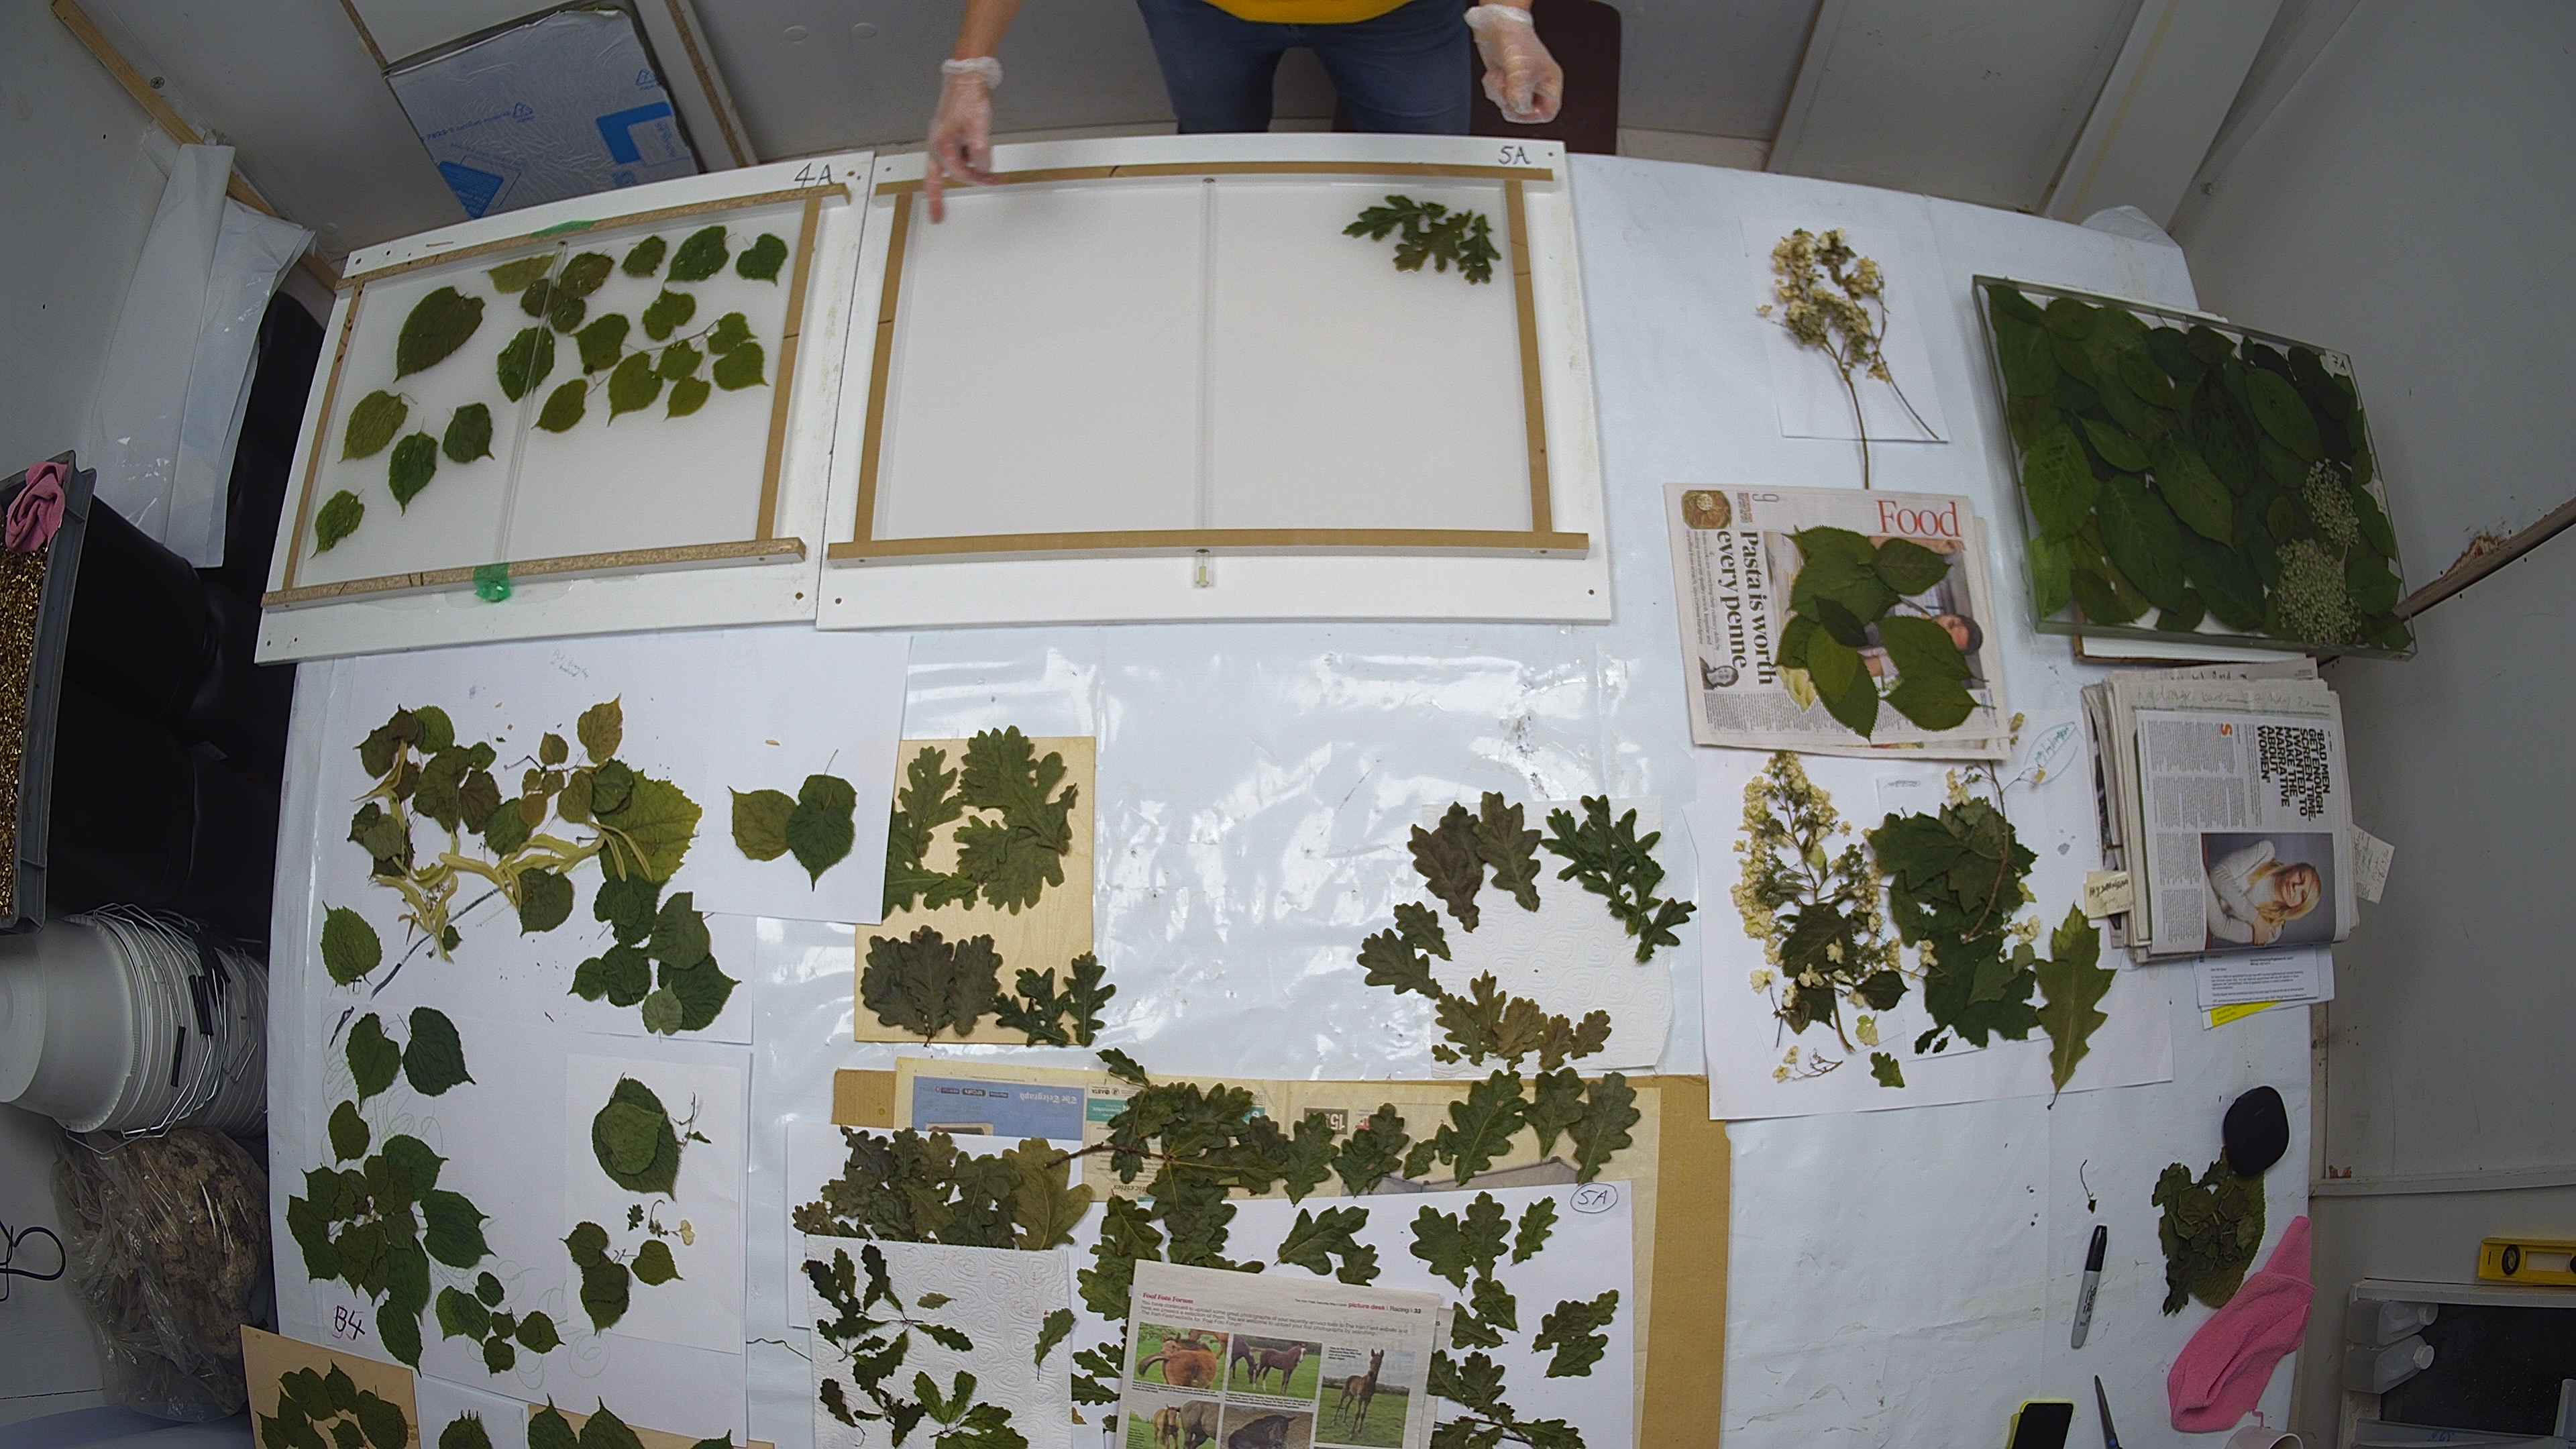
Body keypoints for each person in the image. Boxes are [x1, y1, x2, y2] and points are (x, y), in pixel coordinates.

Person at [920, 0, 1567, 221]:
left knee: (1429, 172)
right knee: (1214, 148)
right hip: (1200, 14)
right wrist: (969, 68)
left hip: (1401, 15)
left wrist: (1506, 15)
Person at [2204, 839, 2324, 947]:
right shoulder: (2266, 853)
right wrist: (2255, 918)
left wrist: (2202, 882)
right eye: (2300, 877)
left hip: (2202, 917)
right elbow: (2217, 874)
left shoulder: (2273, 931)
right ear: (2294, 868)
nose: (2296, 887)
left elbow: (2221, 928)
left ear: (2299, 908)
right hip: (2200, 880)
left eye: (2302, 895)